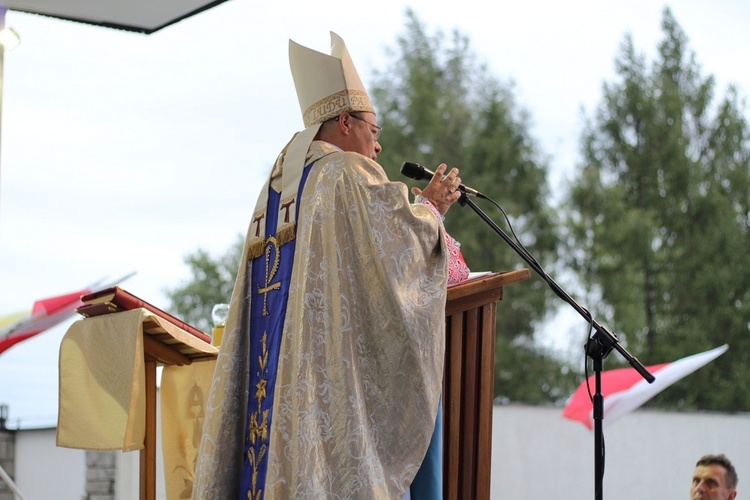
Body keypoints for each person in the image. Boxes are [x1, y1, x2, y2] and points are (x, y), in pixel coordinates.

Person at [192, 32, 469, 499]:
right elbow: (404, 254)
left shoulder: (277, 189)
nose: (377, 147)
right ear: (345, 121)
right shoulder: (346, 173)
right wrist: (431, 209)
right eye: (373, 131)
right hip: (325, 392)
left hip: (282, 390)